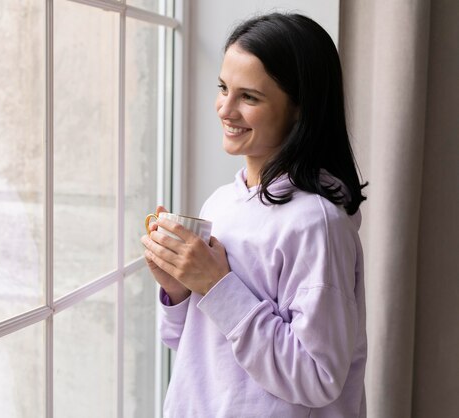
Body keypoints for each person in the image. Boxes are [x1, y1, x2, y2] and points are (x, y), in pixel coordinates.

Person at [141, 13, 368, 418]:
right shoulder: (221, 203)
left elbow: (316, 377)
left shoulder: (317, 225)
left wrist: (214, 284)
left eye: (249, 97)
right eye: (223, 88)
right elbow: (193, 346)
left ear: (299, 109)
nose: (225, 109)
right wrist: (177, 289)